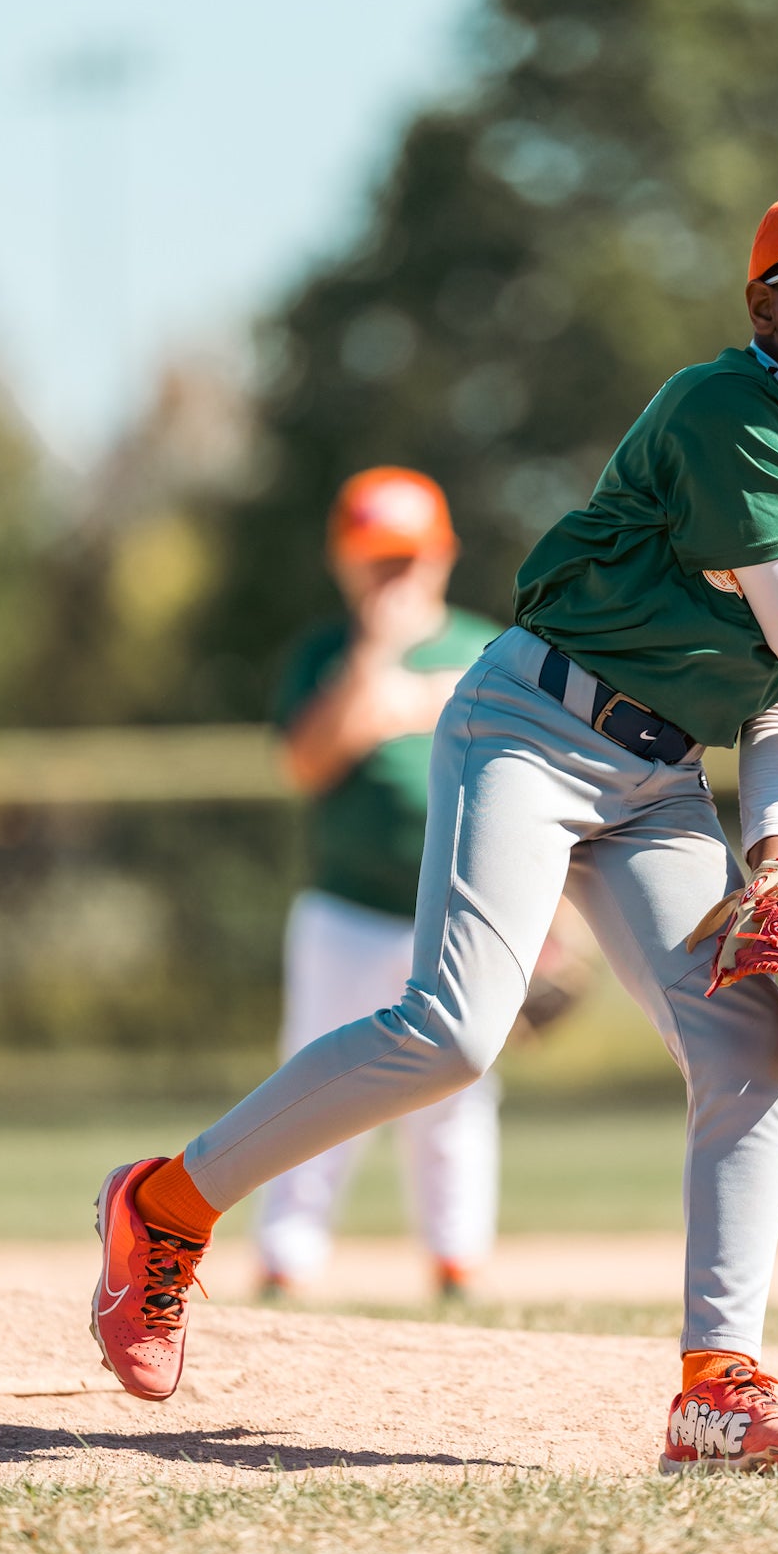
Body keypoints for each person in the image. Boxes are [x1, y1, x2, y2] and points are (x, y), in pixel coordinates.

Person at [91, 179, 778, 1471]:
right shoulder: (723, 407)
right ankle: (163, 1205)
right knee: (453, 1033)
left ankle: (717, 1392)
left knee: (749, 1040)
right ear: (764, 304)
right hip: (530, 726)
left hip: (658, 784)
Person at [257, 467, 503, 1301]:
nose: (394, 574)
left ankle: (458, 1261)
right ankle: (287, 1257)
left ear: (443, 554)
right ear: (344, 561)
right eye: (377, 559)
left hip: (464, 912)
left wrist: (552, 923)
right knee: (312, 1081)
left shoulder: (487, 649)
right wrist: (372, 653)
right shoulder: (326, 655)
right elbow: (305, 763)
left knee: (455, 1089)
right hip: (348, 909)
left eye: (408, 556)